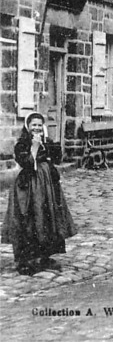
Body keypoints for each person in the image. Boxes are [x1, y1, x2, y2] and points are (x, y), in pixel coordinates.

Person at [2, 112, 76, 275]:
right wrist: (34, 148)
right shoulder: (21, 145)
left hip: (47, 185)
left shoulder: (46, 142)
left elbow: (57, 157)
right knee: (29, 219)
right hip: (28, 187)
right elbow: (27, 163)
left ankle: (44, 256)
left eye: (39, 125)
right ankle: (25, 260)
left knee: (47, 217)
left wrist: (47, 142)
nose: (36, 128)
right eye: (33, 125)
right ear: (28, 127)